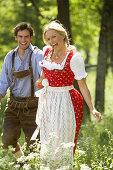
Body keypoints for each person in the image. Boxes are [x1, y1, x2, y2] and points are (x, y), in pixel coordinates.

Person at [32, 21, 102, 165]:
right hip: (49, 100)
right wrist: (40, 81)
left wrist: (92, 108)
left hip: (67, 100)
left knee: (63, 141)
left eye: (54, 37)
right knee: (49, 140)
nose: (51, 41)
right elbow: (45, 74)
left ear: (63, 35)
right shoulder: (47, 52)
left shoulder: (73, 58)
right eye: (48, 38)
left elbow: (83, 86)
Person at [0, 22, 43, 159]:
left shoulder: (38, 55)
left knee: (34, 145)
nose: (23, 40)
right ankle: (23, 162)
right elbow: (3, 80)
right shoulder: (10, 56)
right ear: (16, 38)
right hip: (13, 105)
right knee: (7, 141)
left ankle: (33, 167)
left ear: (31, 37)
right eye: (20, 36)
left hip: (32, 107)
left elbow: (45, 74)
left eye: (26, 37)